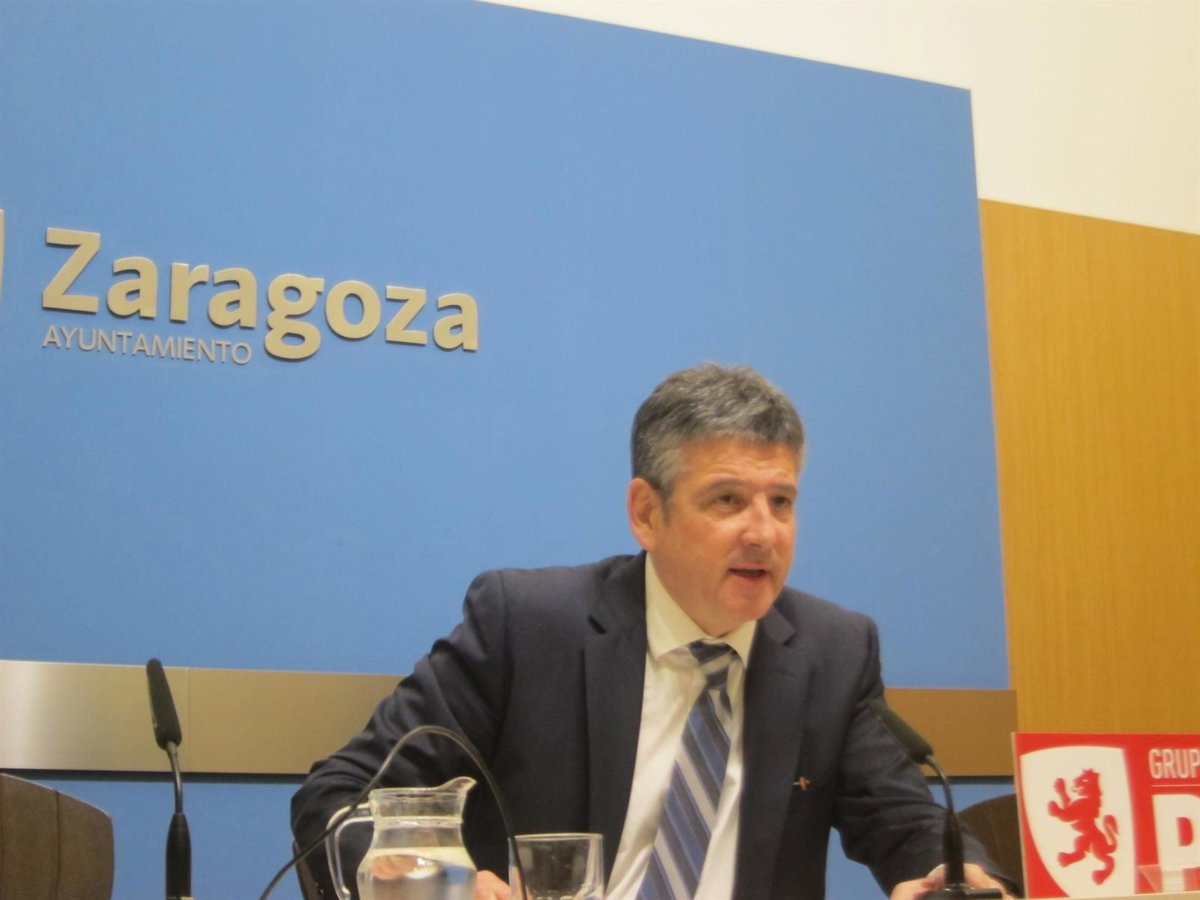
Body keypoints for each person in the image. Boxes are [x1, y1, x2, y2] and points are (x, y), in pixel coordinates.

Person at [291, 363, 1012, 899]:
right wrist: (426, 882)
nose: (763, 532)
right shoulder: (527, 626)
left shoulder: (833, 651)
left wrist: (956, 875)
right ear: (646, 513)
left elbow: (903, 820)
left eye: (782, 501)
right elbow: (337, 797)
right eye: (727, 500)